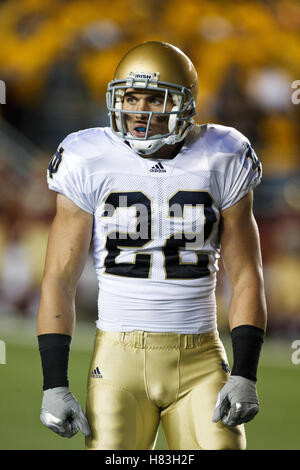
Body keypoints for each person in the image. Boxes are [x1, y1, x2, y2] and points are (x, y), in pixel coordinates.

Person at [37, 41, 267, 450]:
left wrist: (245, 373)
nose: (140, 111)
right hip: (117, 360)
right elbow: (59, 277)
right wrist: (53, 383)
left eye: (155, 99)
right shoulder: (87, 156)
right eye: (131, 97)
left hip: (201, 357)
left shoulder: (223, 153)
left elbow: (247, 272)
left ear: (184, 103)